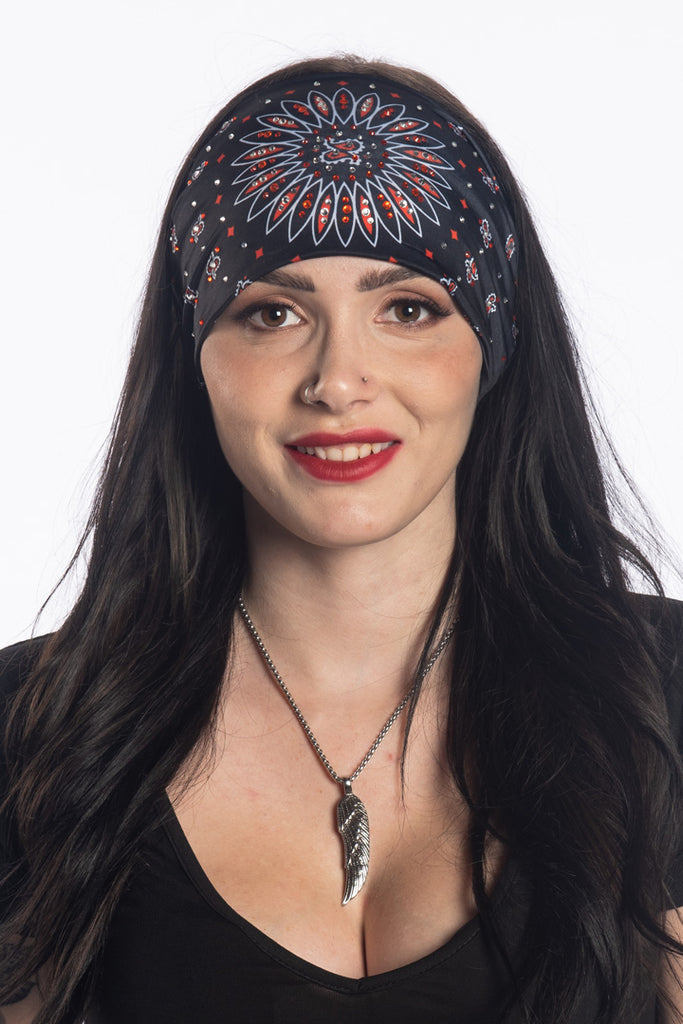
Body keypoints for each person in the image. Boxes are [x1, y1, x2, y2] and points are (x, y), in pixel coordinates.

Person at [1, 53, 682, 1024]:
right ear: (196, 356)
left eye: (406, 308)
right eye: (271, 312)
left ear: (491, 346)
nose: (336, 380)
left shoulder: (661, 697)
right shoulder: (31, 732)